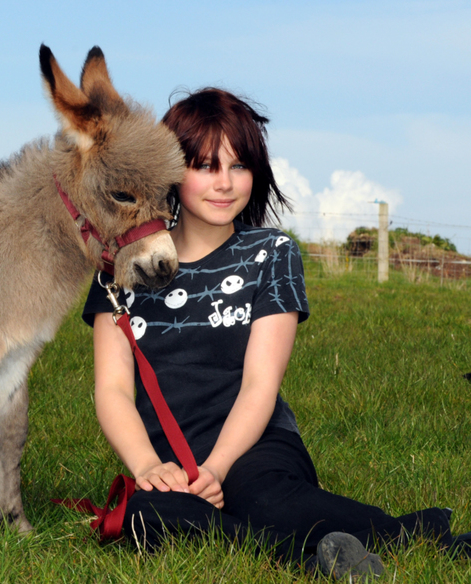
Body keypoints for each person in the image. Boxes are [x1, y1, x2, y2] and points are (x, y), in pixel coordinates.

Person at [82, 88, 469, 577]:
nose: (224, 183)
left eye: (239, 165)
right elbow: (112, 388)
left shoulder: (272, 254)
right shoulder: (120, 268)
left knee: (268, 502)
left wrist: (217, 469)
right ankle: (315, 557)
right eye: (205, 166)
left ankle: (422, 536)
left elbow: (259, 385)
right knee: (142, 517)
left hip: (254, 449)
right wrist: (145, 467)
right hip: (166, 459)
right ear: (172, 174)